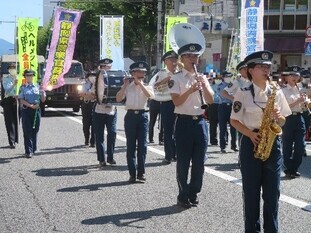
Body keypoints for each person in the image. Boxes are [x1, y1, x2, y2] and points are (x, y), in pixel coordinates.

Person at [230, 50, 291, 232]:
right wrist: (249, 134)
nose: (266, 69)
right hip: (251, 142)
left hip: (273, 143)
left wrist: (279, 117)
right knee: (251, 193)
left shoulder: (276, 91)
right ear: (250, 70)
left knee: (272, 194)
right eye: (261, 67)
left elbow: (283, 120)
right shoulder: (242, 92)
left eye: (268, 66)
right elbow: (234, 120)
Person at [169, 43, 214, 208]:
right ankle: (183, 194)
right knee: (183, 161)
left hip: (200, 122)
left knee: (199, 161)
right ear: (182, 59)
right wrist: (191, 90)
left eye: (195, 56)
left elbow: (210, 100)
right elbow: (176, 101)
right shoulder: (176, 78)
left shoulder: (201, 77)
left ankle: (194, 192)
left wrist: (203, 85)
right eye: (189, 56)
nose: (193, 59)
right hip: (183, 122)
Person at [116, 61, 154, 183]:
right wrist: (125, 86)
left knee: (142, 146)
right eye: (138, 72)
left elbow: (149, 96)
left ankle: (141, 173)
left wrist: (140, 84)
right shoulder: (128, 87)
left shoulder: (147, 86)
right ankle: (132, 173)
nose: (140, 73)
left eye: (142, 72)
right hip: (131, 116)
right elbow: (118, 98)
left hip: (142, 115)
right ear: (133, 73)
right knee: (131, 146)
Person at [153, 50, 178, 164]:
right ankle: (168, 155)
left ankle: (177, 153)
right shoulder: (162, 73)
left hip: (179, 102)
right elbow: (155, 87)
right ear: (165, 61)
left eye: (175, 59)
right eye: (170, 59)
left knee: (178, 129)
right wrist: (166, 79)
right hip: (167, 102)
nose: (173, 61)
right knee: (168, 130)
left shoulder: (181, 72)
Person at [281, 66, 306, 178]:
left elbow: (303, 106)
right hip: (288, 118)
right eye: (292, 75)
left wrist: (305, 103)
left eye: (297, 75)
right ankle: (288, 168)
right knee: (287, 145)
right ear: (287, 77)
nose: (295, 77)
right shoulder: (283, 91)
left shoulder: (300, 90)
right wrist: (297, 101)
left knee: (300, 145)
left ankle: (295, 167)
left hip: (299, 117)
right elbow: (284, 107)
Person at [92, 58, 117, 166]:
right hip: (99, 111)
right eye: (105, 67)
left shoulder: (114, 78)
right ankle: (102, 159)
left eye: (109, 67)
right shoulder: (97, 79)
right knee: (99, 135)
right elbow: (92, 92)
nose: (107, 69)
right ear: (100, 68)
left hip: (111, 111)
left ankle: (110, 157)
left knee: (112, 133)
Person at [18, 69, 46, 158]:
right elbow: (21, 100)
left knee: (35, 129)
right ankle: (28, 151)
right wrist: (30, 105)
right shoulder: (22, 87)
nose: (29, 77)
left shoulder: (38, 86)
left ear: (33, 77)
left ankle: (34, 148)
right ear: (25, 77)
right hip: (27, 110)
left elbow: (43, 100)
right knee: (27, 130)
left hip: (36, 110)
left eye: (31, 75)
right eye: (27, 76)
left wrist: (43, 92)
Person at [217, 71, 238, 153]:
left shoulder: (233, 85)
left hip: (232, 107)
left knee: (234, 127)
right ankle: (223, 146)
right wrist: (231, 96)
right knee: (222, 127)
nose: (228, 78)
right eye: (227, 76)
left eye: (230, 76)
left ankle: (234, 145)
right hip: (223, 106)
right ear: (223, 77)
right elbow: (222, 95)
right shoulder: (220, 86)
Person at [1, 63, 19, 148]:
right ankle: (12, 141)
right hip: (8, 100)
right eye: (10, 68)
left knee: (17, 120)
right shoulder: (5, 79)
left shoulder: (20, 77)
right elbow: (7, 90)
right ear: (8, 70)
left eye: (14, 68)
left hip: (18, 100)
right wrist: (14, 84)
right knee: (10, 121)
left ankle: (16, 139)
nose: (12, 69)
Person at [80, 71, 96, 147]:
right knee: (86, 123)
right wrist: (89, 95)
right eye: (91, 75)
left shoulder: (97, 84)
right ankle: (86, 139)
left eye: (94, 75)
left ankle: (93, 141)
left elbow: (95, 95)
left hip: (94, 104)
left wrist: (88, 94)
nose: (92, 77)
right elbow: (81, 93)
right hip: (86, 104)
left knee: (94, 123)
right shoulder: (84, 83)